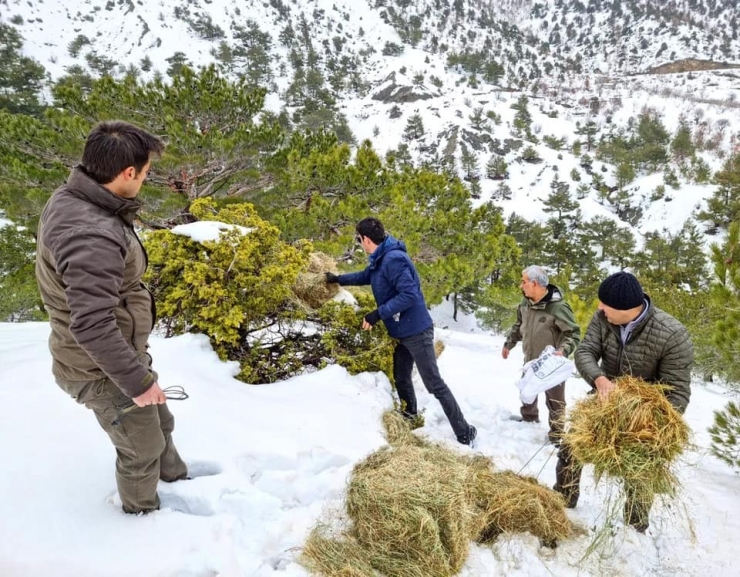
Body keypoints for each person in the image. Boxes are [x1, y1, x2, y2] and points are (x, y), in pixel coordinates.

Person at [35, 121, 188, 514]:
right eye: (147, 171)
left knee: (161, 421)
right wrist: (137, 383)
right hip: (97, 367)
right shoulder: (90, 234)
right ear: (128, 173)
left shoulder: (81, 196)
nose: (146, 179)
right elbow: (92, 324)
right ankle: (142, 519)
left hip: (120, 353)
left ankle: (175, 479)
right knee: (143, 446)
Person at [554, 271, 693, 533]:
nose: (599, 308)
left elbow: (677, 393)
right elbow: (585, 352)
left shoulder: (672, 334)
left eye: (605, 305)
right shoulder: (602, 318)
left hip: (644, 417)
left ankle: (635, 523)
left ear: (627, 308)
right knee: (570, 449)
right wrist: (599, 380)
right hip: (603, 404)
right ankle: (564, 497)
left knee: (641, 470)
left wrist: (645, 423)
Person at [325, 217, 477, 446]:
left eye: (359, 240)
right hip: (401, 332)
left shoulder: (394, 259)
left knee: (434, 383)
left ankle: (465, 432)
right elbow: (366, 276)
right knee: (401, 376)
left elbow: (409, 295)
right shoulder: (381, 258)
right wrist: (338, 279)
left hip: (416, 331)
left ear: (365, 239)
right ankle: (410, 415)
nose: (359, 244)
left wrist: (377, 314)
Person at [502, 265, 580, 444]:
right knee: (526, 389)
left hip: (552, 364)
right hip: (530, 358)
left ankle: (557, 435)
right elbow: (518, 324)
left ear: (534, 284)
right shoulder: (525, 303)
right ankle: (529, 418)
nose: (521, 286)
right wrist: (509, 343)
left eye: (524, 282)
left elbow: (573, 333)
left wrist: (563, 351)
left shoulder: (558, 307)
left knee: (555, 401)